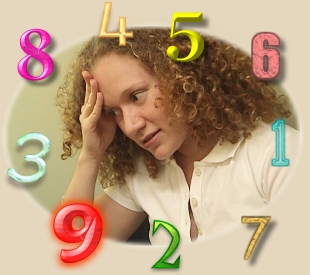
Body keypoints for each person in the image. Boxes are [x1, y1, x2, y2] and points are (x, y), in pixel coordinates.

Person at [56, 28, 299, 245]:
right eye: (113, 112)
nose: (130, 127)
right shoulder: (145, 172)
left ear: (181, 77)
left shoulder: (278, 155)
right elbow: (74, 245)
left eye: (136, 96)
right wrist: (90, 155)